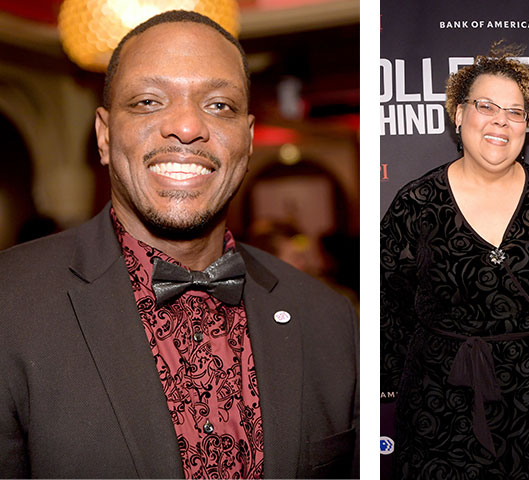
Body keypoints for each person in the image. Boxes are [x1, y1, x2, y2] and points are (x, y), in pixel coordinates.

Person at [0, 10, 358, 479]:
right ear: (105, 137)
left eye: (218, 105)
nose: (186, 127)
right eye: (149, 101)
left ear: (248, 142)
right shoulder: (11, 304)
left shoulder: (329, 320)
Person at [380, 41, 529, 479]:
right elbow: (389, 310)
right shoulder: (416, 203)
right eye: (486, 105)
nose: (500, 120)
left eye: (515, 111)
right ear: (458, 114)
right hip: (442, 408)